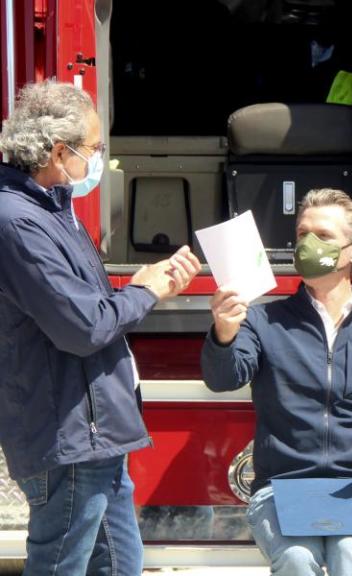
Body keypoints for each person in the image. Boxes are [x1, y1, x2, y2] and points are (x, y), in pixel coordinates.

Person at [0, 81, 201, 574]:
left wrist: (138, 287)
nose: (100, 161)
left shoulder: (50, 211)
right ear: (58, 151)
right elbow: (82, 327)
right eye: (94, 149)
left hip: (95, 435)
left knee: (118, 565)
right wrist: (145, 290)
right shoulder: (17, 220)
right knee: (61, 565)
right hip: (70, 436)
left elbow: (84, 307)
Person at [201, 188, 352, 576]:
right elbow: (222, 377)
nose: (307, 245)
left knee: (351, 550)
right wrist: (224, 333)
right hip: (281, 488)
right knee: (297, 558)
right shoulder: (263, 321)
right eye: (301, 235)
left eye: (323, 236)